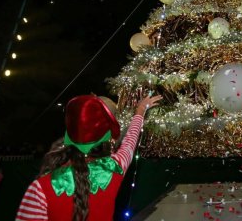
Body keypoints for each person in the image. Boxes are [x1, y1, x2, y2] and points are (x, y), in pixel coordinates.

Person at [15, 93, 162, 221]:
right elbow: (130, 140)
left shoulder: (40, 188)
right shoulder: (115, 167)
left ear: (68, 136)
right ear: (107, 139)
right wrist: (141, 110)